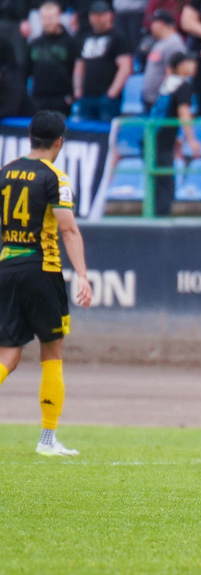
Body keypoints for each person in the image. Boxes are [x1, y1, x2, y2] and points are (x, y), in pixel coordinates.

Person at [0, 110, 94, 457]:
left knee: (8, 355)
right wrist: (82, 274)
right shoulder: (56, 177)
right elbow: (67, 227)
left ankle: (48, 440)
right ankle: (47, 439)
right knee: (51, 352)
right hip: (42, 267)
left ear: (29, 138)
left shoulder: (6, 172)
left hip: (7, 265)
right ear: (59, 142)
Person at [149, 51, 201, 216]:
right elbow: (183, 112)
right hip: (160, 142)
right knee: (165, 186)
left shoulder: (167, 84)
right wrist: (192, 140)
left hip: (153, 139)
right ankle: (160, 227)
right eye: (190, 62)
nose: (194, 66)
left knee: (158, 185)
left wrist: (177, 140)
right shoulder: (183, 85)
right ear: (180, 66)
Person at [73, 1, 134, 121]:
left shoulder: (118, 38)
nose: (98, 19)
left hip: (106, 98)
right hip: (87, 97)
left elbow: (125, 67)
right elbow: (80, 65)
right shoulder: (85, 38)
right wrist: (78, 90)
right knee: (85, 135)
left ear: (110, 15)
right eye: (95, 16)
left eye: (101, 15)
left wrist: (112, 94)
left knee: (106, 135)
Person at [24, 1, 79, 116]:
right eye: (45, 18)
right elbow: (26, 71)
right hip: (38, 97)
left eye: (51, 18)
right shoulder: (34, 43)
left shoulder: (71, 42)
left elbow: (76, 70)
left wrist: (72, 95)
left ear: (59, 17)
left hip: (61, 98)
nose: (48, 22)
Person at [142, 9, 185, 113]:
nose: (151, 26)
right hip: (152, 99)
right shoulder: (160, 42)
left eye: (153, 23)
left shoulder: (174, 44)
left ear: (160, 24)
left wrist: (163, 97)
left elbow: (173, 73)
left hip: (162, 101)